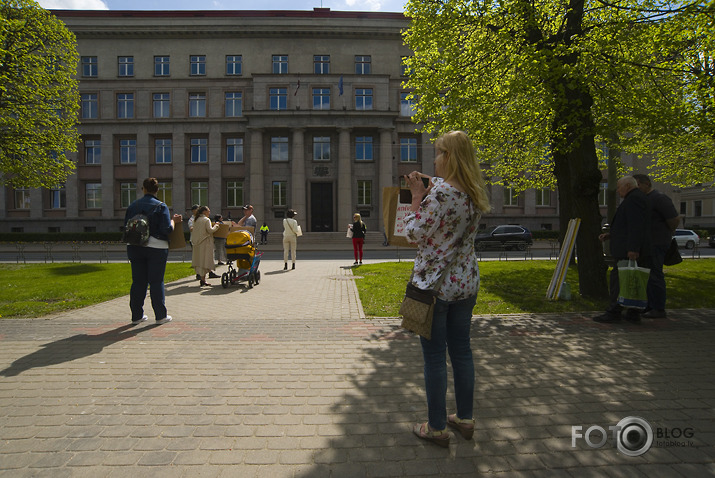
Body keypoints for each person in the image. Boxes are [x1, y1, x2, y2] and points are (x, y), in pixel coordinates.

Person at [402, 131, 491, 448]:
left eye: (439, 153)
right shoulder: (472, 193)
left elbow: (412, 232)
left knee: (435, 358)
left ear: (451, 157)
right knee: (462, 351)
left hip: (433, 288)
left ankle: (437, 427)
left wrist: (415, 196)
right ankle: (464, 419)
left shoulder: (441, 196)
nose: (435, 159)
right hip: (466, 283)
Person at [594, 176, 652, 323]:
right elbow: (627, 225)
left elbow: (636, 226)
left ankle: (614, 311)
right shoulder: (636, 198)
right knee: (630, 281)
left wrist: (633, 248)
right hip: (629, 248)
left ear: (627, 186)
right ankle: (632, 312)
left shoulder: (634, 200)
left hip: (628, 251)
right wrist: (610, 235)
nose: (617, 190)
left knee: (619, 281)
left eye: (619, 187)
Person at [125, 178, 182, 325]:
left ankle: (137, 316)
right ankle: (160, 316)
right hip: (157, 247)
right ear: (157, 190)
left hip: (135, 246)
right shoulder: (161, 206)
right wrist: (174, 221)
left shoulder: (132, 206)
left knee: (138, 282)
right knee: (156, 282)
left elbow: (126, 226)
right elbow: (167, 229)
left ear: (143, 189)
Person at [633, 174, 680, 318]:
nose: (636, 189)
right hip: (647, 244)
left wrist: (665, 234)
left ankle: (658, 308)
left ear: (646, 184)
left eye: (638, 185)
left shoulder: (659, 198)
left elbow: (674, 219)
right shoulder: (643, 199)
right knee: (647, 276)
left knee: (655, 275)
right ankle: (649, 305)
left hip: (657, 243)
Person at [190, 206, 220, 286]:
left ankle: (203, 279)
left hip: (197, 244)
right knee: (205, 261)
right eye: (208, 211)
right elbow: (210, 230)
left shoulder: (196, 220)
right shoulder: (206, 220)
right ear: (204, 212)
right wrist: (216, 225)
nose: (209, 213)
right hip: (205, 243)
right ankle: (203, 279)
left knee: (200, 261)